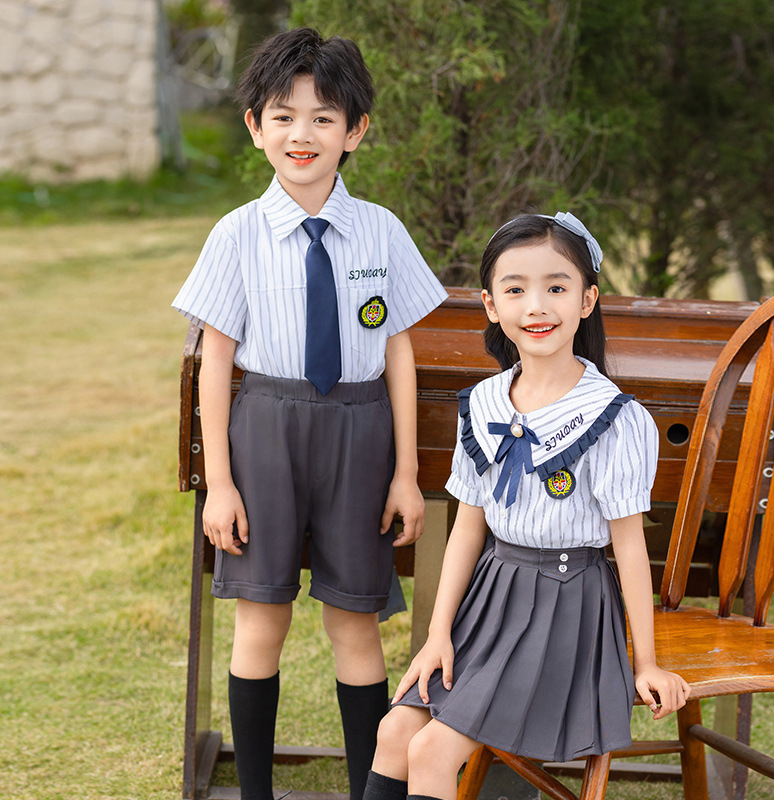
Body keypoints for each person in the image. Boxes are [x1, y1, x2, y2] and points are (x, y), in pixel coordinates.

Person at [172, 28, 447, 800]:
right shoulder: (237, 234)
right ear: (257, 127)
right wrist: (220, 484)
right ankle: (253, 792)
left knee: (354, 621)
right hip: (264, 433)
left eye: (324, 117)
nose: (304, 134)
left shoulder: (381, 231)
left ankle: (374, 786)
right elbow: (217, 361)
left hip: (359, 435)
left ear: (355, 131)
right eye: (284, 116)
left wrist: (406, 472)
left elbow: (397, 351)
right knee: (261, 617)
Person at [362, 213, 691, 800]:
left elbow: (630, 547)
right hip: (490, 598)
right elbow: (468, 529)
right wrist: (438, 633)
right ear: (491, 305)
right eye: (515, 289)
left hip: (566, 608)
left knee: (433, 751)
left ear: (587, 300)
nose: (536, 306)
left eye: (556, 287)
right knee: (394, 733)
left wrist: (646, 661)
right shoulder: (485, 402)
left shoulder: (613, 418)